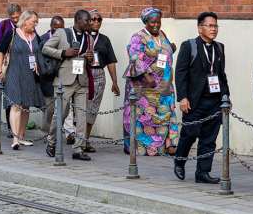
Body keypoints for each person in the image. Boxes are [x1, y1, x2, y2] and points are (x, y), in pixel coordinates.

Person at [174, 12, 230, 184]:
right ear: (200, 28)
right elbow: (180, 73)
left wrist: (226, 97)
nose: (213, 29)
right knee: (190, 134)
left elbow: (221, 76)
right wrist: (183, 97)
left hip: (214, 100)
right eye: (209, 26)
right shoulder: (189, 46)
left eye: (215, 26)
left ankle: (203, 172)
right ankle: (179, 160)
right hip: (194, 100)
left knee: (209, 138)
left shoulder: (219, 48)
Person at [123, 8, 179, 157]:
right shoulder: (138, 37)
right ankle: (143, 147)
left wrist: (172, 48)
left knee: (168, 112)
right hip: (146, 86)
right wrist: (148, 77)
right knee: (146, 116)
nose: (156, 25)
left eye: (158, 22)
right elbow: (134, 57)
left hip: (164, 83)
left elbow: (163, 52)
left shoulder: (162, 35)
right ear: (145, 22)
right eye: (152, 22)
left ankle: (169, 145)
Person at [42, 10, 94, 159]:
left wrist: (90, 59)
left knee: (82, 116)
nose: (89, 23)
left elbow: (90, 60)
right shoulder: (62, 33)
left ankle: (78, 149)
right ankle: (51, 142)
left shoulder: (89, 38)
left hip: (82, 80)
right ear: (78, 20)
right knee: (60, 114)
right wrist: (64, 52)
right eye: (87, 20)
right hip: (64, 80)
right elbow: (46, 48)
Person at [0, 10, 46, 149]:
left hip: (30, 75)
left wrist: (37, 62)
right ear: (25, 20)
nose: (35, 24)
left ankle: (21, 137)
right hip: (14, 73)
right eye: (33, 21)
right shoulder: (11, 34)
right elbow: (0, 52)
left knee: (25, 106)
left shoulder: (36, 37)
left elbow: (39, 54)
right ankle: (15, 139)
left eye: (36, 22)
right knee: (16, 105)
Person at [84, 10, 120, 152]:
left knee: (92, 108)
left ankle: (85, 140)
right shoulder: (81, 36)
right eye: (93, 19)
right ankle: (75, 136)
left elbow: (111, 61)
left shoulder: (104, 39)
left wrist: (115, 81)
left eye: (99, 19)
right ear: (87, 21)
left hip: (98, 73)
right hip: (83, 73)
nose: (96, 22)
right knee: (79, 107)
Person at [0, 3, 23, 138]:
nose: (16, 20)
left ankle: (19, 128)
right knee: (9, 96)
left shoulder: (25, 24)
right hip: (8, 64)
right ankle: (11, 128)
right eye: (13, 18)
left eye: (17, 17)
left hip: (21, 65)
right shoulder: (3, 25)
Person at [38, 16, 64, 144]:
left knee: (61, 108)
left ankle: (55, 134)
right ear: (50, 26)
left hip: (61, 76)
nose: (58, 30)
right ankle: (45, 133)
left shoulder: (65, 38)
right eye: (56, 27)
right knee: (49, 108)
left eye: (61, 28)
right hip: (47, 77)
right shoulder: (42, 39)